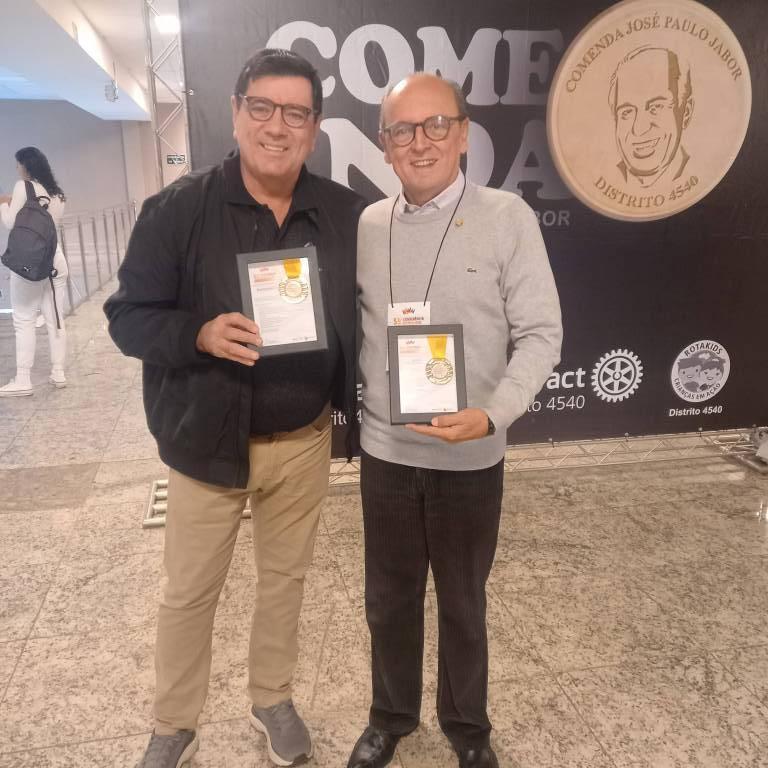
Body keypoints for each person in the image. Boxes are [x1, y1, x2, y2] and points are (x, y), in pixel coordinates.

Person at [104, 49, 365, 768]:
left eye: (296, 113)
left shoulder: (345, 213)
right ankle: (174, 723)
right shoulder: (177, 210)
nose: (277, 127)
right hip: (205, 440)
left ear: (315, 125)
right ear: (236, 111)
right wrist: (199, 334)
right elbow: (127, 317)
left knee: (285, 582)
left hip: (304, 438)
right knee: (189, 593)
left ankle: (272, 698)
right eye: (263, 108)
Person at [349, 73, 562, 768]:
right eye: (402, 129)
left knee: (464, 603)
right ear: (384, 144)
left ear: (464, 134)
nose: (421, 142)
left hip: (470, 458)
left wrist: (493, 416)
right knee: (389, 599)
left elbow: (541, 334)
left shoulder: (507, 217)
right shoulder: (368, 225)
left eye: (437, 125)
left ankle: (468, 728)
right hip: (386, 452)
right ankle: (390, 716)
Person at [0, 147, 68, 396]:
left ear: (25, 166)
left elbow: (10, 223)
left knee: (24, 319)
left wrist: (3, 204)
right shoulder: (58, 194)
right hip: (55, 261)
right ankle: (58, 372)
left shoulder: (23, 187)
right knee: (55, 319)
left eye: (18, 164)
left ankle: (23, 379)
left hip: (29, 263)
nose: (17, 168)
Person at [608, 46, 694, 188]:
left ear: (686, 113)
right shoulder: (603, 174)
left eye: (656, 107)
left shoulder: (701, 170)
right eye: (627, 112)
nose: (639, 129)